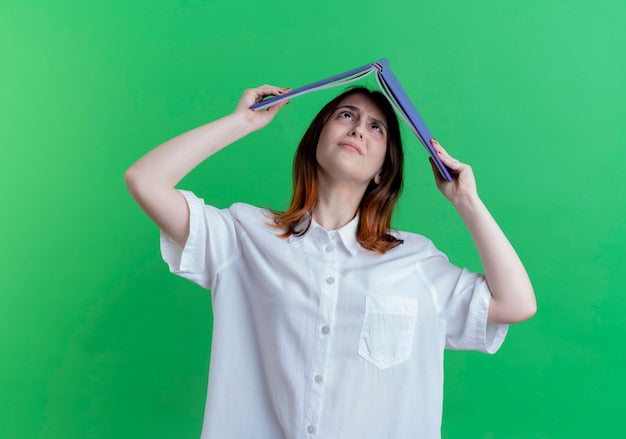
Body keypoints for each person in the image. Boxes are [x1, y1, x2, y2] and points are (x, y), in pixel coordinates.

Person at [125, 84, 536, 438]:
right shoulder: (244, 236)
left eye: (377, 127)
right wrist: (243, 122)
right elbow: (145, 180)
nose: (359, 128)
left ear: (382, 171)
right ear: (316, 140)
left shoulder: (415, 262)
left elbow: (516, 304)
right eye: (346, 115)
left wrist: (467, 201)